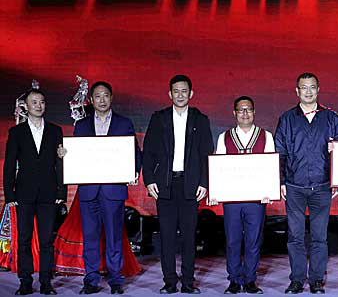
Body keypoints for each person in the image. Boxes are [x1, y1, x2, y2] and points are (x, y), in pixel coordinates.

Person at [63, 81, 142, 294]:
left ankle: (115, 280)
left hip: (113, 190)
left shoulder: (124, 123)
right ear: (91, 100)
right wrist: (66, 155)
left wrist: (133, 171)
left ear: (111, 97)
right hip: (89, 190)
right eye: (97, 96)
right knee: (90, 237)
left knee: (114, 236)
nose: (102, 100)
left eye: (105, 95)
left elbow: (134, 151)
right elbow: (77, 154)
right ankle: (91, 280)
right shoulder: (82, 125)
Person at [142, 75, 213, 294]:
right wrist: (149, 180)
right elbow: (148, 152)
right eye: (176, 91)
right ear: (169, 94)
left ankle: (188, 282)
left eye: (184, 91)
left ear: (191, 94)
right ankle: (170, 282)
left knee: (189, 237)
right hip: (165, 185)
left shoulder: (200, 119)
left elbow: (206, 154)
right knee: (167, 236)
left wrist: (204, 182)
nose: (180, 95)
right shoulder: (159, 118)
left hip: (190, 185)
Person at [275, 72, 338, 294]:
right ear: (297, 91)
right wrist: (281, 181)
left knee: (319, 238)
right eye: (304, 87)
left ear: (318, 89)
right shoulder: (287, 119)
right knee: (295, 237)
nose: (308, 91)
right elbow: (280, 152)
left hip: (322, 186)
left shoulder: (331, 118)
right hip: (294, 187)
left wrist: (337, 180)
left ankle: (316, 280)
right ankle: (296, 280)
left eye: (312, 87)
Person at [208, 96, 274, 295]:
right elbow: (218, 167)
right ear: (234, 113)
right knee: (232, 241)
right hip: (232, 199)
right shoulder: (224, 137)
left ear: (254, 112)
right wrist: (215, 191)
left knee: (254, 241)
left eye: (249, 109)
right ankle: (234, 280)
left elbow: (270, 167)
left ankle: (250, 280)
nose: (245, 113)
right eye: (241, 110)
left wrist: (269, 191)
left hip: (256, 199)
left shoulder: (266, 136)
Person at [3, 89, 65, 295]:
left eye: (42, 102)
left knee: (47, 240)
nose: (39, 105)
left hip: (49, 193)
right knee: (24, 240)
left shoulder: (55, 130)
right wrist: (10, 194)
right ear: (26, 106)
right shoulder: (16, 132)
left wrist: (61, 191)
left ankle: (46, 282)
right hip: (24, 194)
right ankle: (25, 281)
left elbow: (60, 163)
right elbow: (9, 165)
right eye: (34, 102)